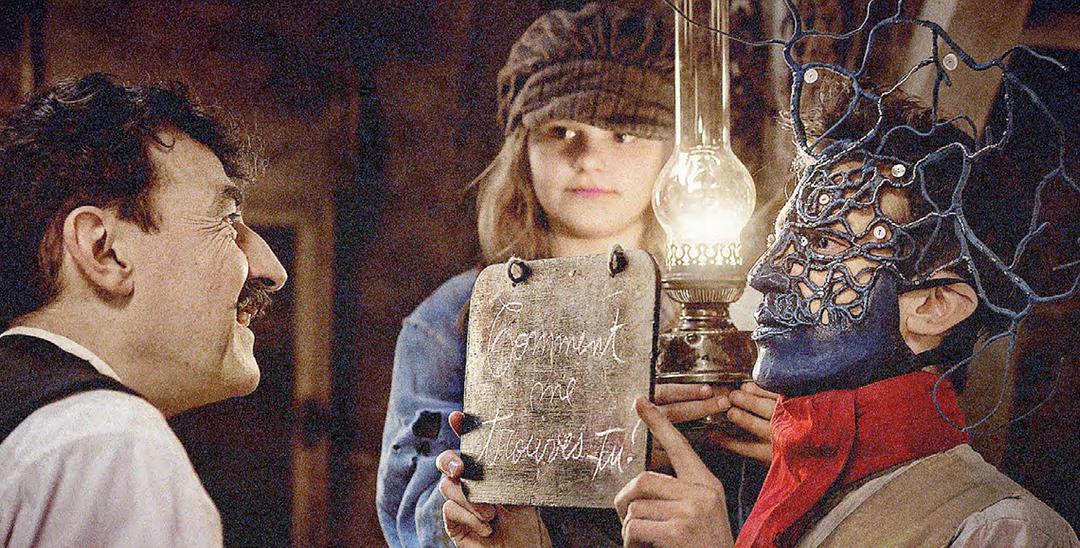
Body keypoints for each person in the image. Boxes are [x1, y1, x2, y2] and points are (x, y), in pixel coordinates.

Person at [376, 3, 778, 546]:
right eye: (562, 130)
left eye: (623, 134)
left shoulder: (736, 313)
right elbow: (417, 515)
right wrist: (590, 448)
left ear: (672, 152)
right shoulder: (451, 322)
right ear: (523, 147)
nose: (588, 157)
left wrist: (794, 445)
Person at [611, 85, 1080, 546]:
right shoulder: (771, 492)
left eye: (821, 244)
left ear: (933, 306)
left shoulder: (1002, 529)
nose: (764, 274)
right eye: (781, 240)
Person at [0, 73, 288, 545]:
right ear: (103, 251)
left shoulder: (34, 434)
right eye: (227, 220)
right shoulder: (110, 444)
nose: (273, 270)